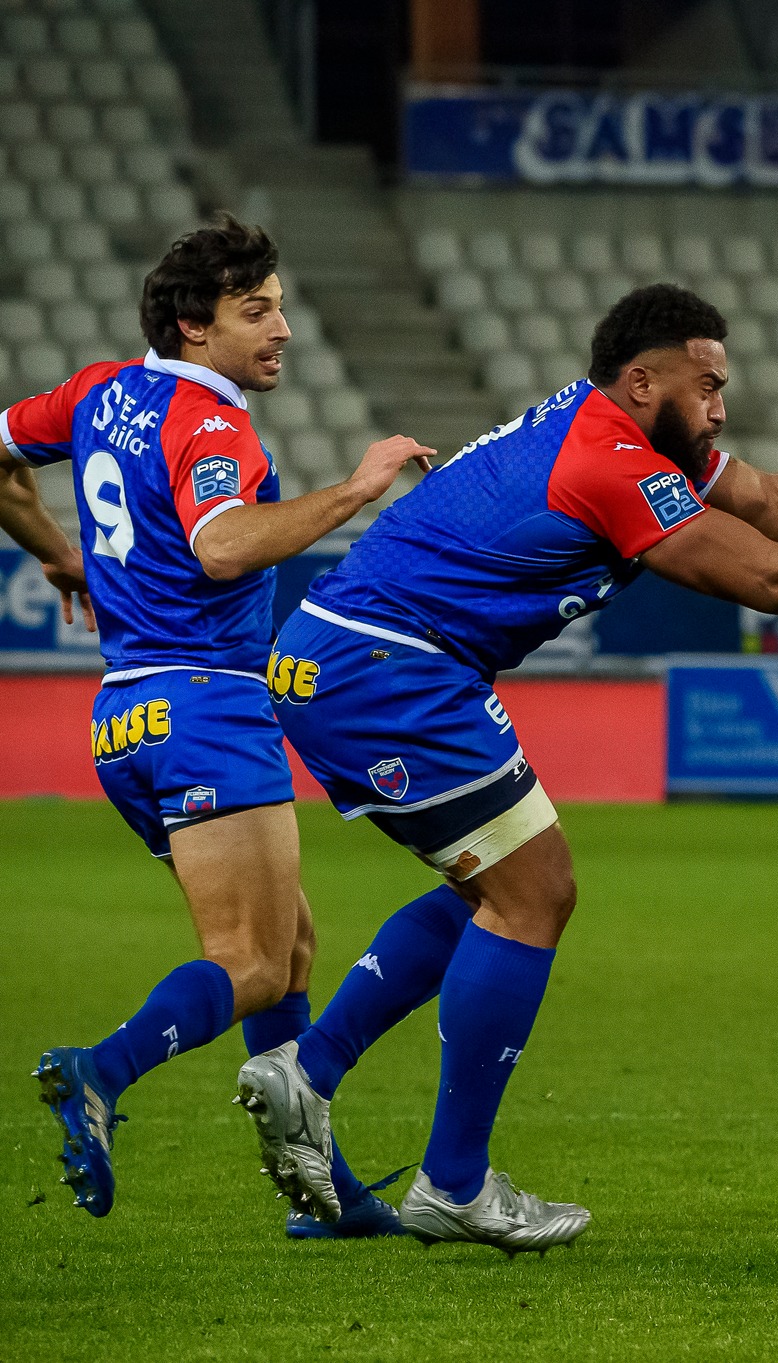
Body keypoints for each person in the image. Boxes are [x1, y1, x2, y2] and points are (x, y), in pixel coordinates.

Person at [233, 283, 778, 1254]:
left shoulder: (627, 439)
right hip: (387, 665)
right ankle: (452, 1180)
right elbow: (770, 577)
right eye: (705, 384)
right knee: (534, 891)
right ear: (643, 381)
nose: (719, 404)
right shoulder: (609, 458)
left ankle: (313, 1071)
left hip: (345, 654)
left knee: (495, 892)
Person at [1, 217, 430, 1229]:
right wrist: (358, 490)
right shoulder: (212, 426)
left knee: (285, 952)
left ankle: (318, 1189)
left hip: (122, 720)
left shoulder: (98, 391)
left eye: (278, 304)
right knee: (248, 958)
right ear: (194, 326)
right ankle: (99, 1072)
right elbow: (223, 545)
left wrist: (58, 554)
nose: (282, 328)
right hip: (208, 704)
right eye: (257, 311)